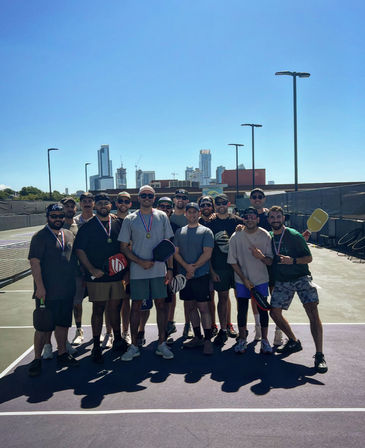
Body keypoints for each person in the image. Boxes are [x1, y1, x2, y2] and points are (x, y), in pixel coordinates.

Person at [267, 205, 328, 374]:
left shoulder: (294, 235)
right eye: (272, 217)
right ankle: (293, 341)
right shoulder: (269, 237)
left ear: (283, 218)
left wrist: (292, 261)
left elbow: (309, 258)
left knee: (312, 311)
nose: (275, 219)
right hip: (283, 280)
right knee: (274, 313)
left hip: (301, 278)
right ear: (269, 220)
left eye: (278, 216)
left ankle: (319, 355)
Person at [119, 185, 174, 362]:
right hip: (138, 271)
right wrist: (140, 261)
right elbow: (123, 247)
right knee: (136, 306)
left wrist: (170, 269)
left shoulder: (162, 216)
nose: (147, 198)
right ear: (139, 197)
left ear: (154, 197)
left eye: (150, 195)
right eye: (144, 195)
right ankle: (134, 345)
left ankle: (161, 343)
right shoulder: (130, 219)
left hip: (159, 270)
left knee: (161, 306)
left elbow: (168, 246)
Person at [74, 193, 128, 364]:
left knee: (115, 308)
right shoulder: (87, 227)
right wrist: (91, 269)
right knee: (98, 310)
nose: (103, 205)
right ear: (95, 206)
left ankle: (117, 339)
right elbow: (80, 250)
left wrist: (126, 271)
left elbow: (125, 247)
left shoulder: (119, 223)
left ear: (110, 205)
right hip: (96, 277)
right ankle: (96, 346)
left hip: (117, 276)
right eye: (100, 203)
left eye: (106, 203)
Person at [28, 203, 79, 377]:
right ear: (47, 217)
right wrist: (40, 287)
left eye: (60, 216)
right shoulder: (40, 237)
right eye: (54, 216)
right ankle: (36, 360)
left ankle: (62, 353)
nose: (57, 219)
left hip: (66, 290)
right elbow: (35, 263)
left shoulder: (69, 234)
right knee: (43, 327)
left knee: (63, 324)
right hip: (46, 292)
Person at [227, 207, 273, 354]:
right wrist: (244, 279)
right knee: (242, 310)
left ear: (258, 219)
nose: (250, 219)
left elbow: (270, 261)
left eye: (253, 216)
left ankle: (265, 340)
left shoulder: (265, 235)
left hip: (261, 280)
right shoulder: (236, 236)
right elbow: (233, 262)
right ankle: (242, 339)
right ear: (244, 219)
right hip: (241, 281)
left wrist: (260, 257)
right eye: (247, 217)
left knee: (263, 310)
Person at [174, 202, 214, 355]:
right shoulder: (179, 232)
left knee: (203, 308)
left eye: (194, 212)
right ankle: (198, 337)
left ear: (198, 214)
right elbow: (176, 253)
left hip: (201, 276)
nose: (192, 214)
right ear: (185, 214)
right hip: (186, 278)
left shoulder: (206, 231)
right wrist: (187, 267)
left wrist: (193, 268)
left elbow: (207, 254)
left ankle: (208, 340)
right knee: (190, 308)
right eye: (189, 212)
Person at [206, 194, 242, 345]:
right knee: (223, 298)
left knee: (241, 299)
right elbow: (207, 250)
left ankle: (241, 330)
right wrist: (212, 271)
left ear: (228, 203)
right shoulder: (210, 223)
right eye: (218, 203)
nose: (221, 205)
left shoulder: (238, 222)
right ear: (215, 205)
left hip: (238, 267)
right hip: (220, 268)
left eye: (224, 203)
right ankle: (223, 330)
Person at [249, 188, 283, 346]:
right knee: (256, 298)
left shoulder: (271, 216)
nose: (257, 199)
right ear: (250, 199)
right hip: (255, 265)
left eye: (260, 197)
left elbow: (282, 232)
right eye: (254, 197)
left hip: (272, 263)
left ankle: (278, 331)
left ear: (264, 199)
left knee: (275, 297)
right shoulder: (247, 216)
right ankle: (258, 329)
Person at [101, 191, 133, 347]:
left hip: (128, 268)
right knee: (110, 303)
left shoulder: (134, 220)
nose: (123, 204)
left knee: (125, 302)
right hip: (111, 269)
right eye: (120, 201)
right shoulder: (110, 221)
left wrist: (128, 269)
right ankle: (109, 333)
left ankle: (126, 332)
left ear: (130, 204)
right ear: (116, 203)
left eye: (126, 201)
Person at [71, 192, 95, 346]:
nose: (87, 203)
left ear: (93, 203)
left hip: (95, 269)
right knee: (77, 302)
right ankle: (79, 330)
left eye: (89, 201)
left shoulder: (101, 220)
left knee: (100, 303)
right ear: (80, 204)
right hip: (78, 271)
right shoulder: (73, 222)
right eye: (84, 201)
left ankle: (105, 332)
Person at [169, 188, 193, 339]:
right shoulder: (166, 217)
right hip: (170, 263)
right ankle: (169, 323)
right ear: (174, 199)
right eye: (178, 197)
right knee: (170, 295)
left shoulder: (190, 217)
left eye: (184, 197)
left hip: (186, 263)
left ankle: (188, 325)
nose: (181, 200)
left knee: (188, 298)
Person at [197, 196, 219, 336]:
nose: (206, 207)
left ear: (212, 206)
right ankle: (203, 326)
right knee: (200, 300)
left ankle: (216, 324)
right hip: (200, 268)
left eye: (208, 204)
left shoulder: (218, 221)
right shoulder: (195, 222)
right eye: (203, 204)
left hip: (217, 266)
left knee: (216, 298)